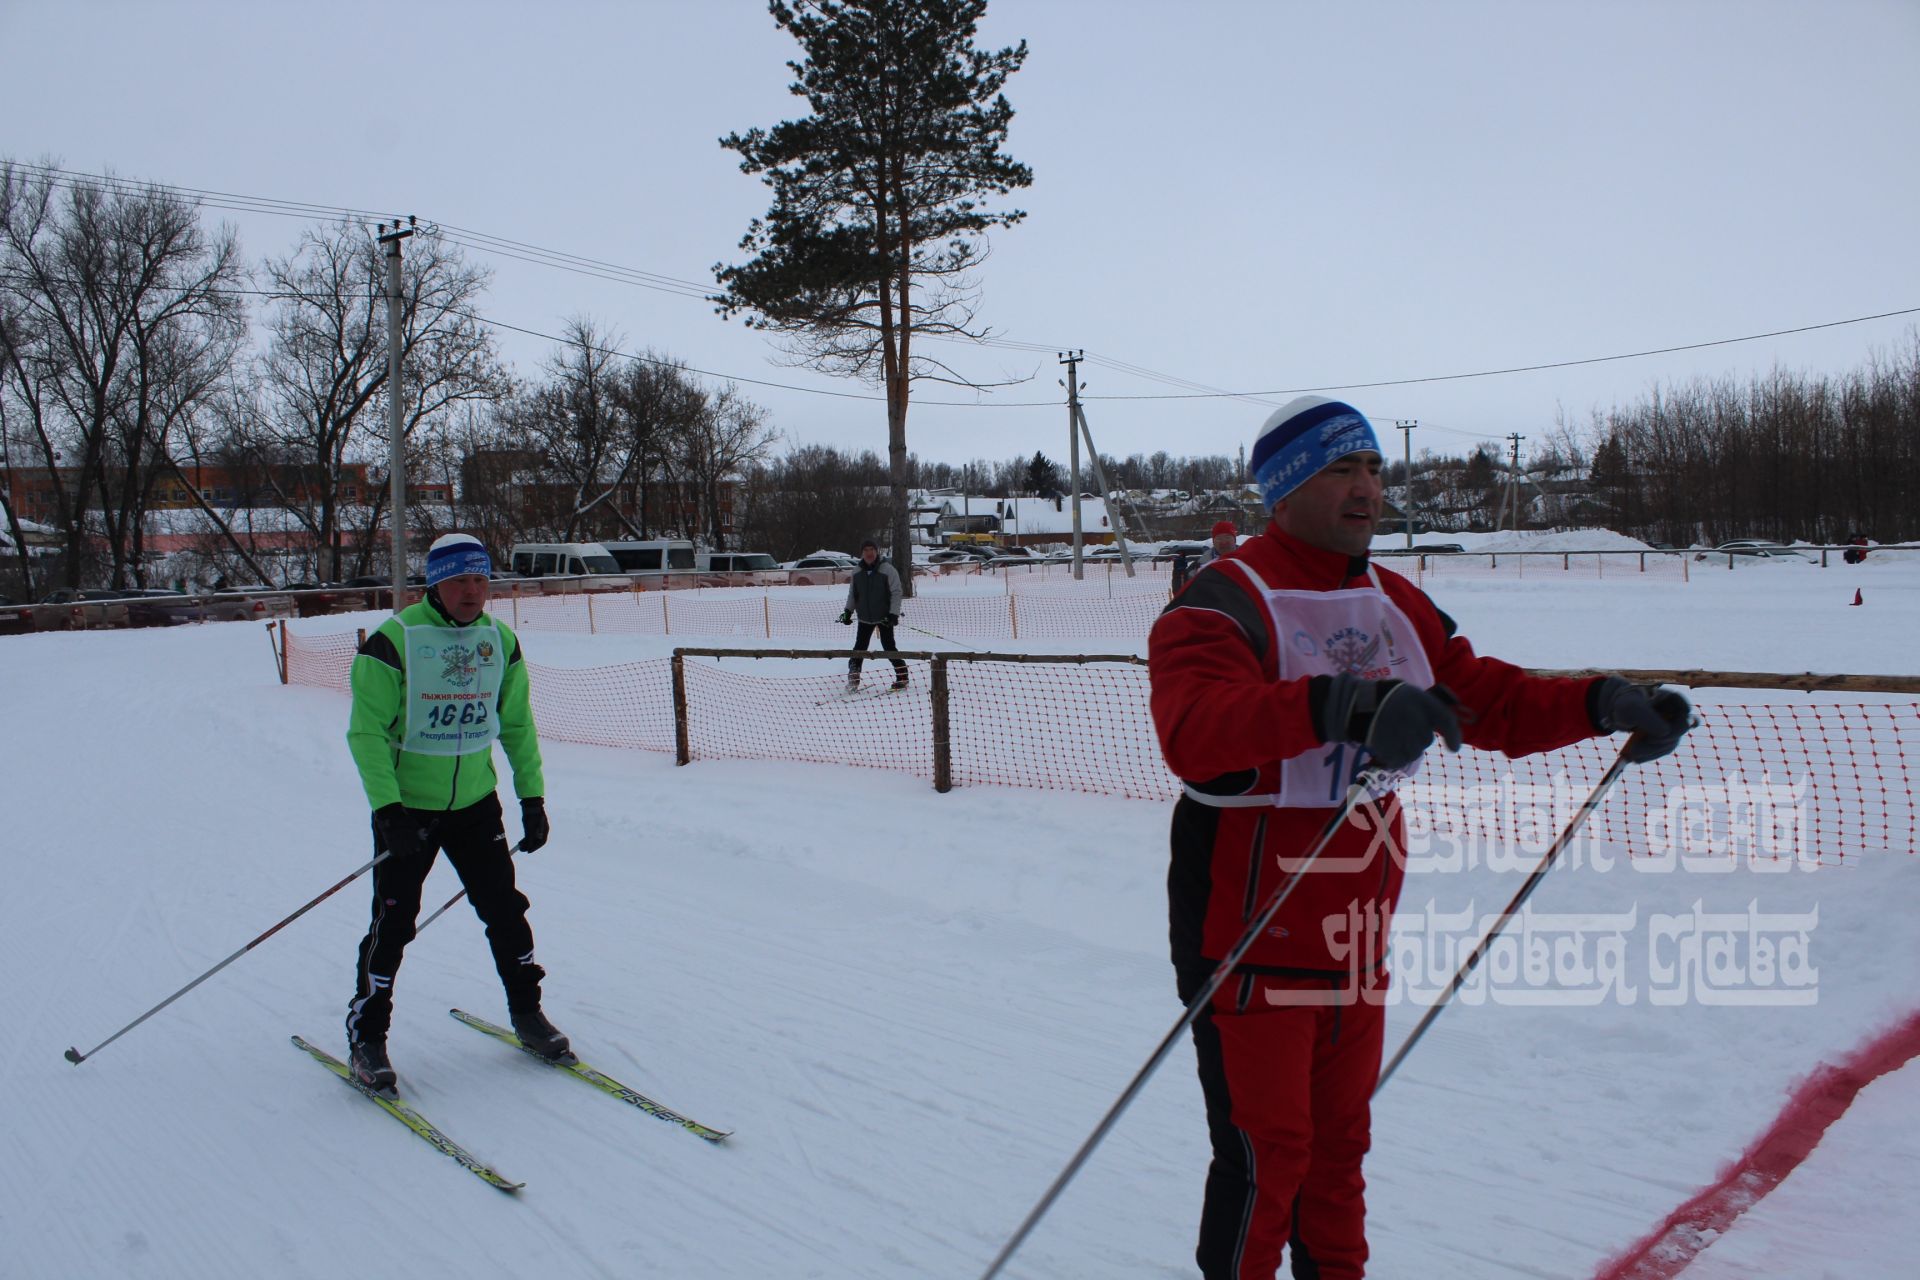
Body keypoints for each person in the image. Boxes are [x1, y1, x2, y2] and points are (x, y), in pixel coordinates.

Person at [1147, 396, 1694, 1279]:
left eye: (1373, 469)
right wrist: (1345, 703)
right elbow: (1197, 728)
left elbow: (1489, 698)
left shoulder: (1394, 599)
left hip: (1354, 937)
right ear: (1284, 488)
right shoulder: (1220, 602)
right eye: (1342, 469)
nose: (1368, 489)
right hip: (1247, 935)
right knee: (1267, 1158)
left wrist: (1601, 703)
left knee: (1337, 1159)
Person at [343, 532, 565, 1093]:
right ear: (434, 584)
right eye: (459, 579)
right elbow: (365, 733)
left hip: (475, 804)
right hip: (408, 808)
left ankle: (527, 1013)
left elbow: (516, 726)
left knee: (506, 911)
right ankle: (367, 1036)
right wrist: (387, 808)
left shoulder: (501, 641)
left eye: (481, 578)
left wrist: (531, 798)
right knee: (393, 924)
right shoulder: (393, 643)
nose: (472, 591)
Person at [838, 538, 907, 691]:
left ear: (877, 552)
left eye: (872, 550)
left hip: (884, 617)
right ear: (862, 553)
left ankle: (902, 676)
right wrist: (848, 612)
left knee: (889, 647)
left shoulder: (888, 570)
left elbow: (896, 593)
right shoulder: (856, 572)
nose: (869, 553)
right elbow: (852, 595)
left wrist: (893, 614)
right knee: (859, 649)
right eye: (866, 550)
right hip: (864, 617)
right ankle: (853, 678)